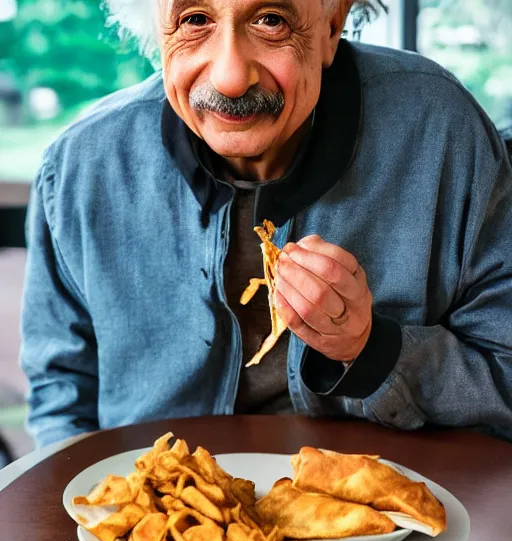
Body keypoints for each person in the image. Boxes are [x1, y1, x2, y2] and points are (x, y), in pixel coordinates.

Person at [21, 0, 512, 448]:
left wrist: (371, 350)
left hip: (389, 522)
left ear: (331, 23)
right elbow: (61, 396)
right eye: (195, 21)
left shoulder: (442, 131)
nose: (231, 78)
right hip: (160, 525)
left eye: (270, 20)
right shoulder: (78, 169)